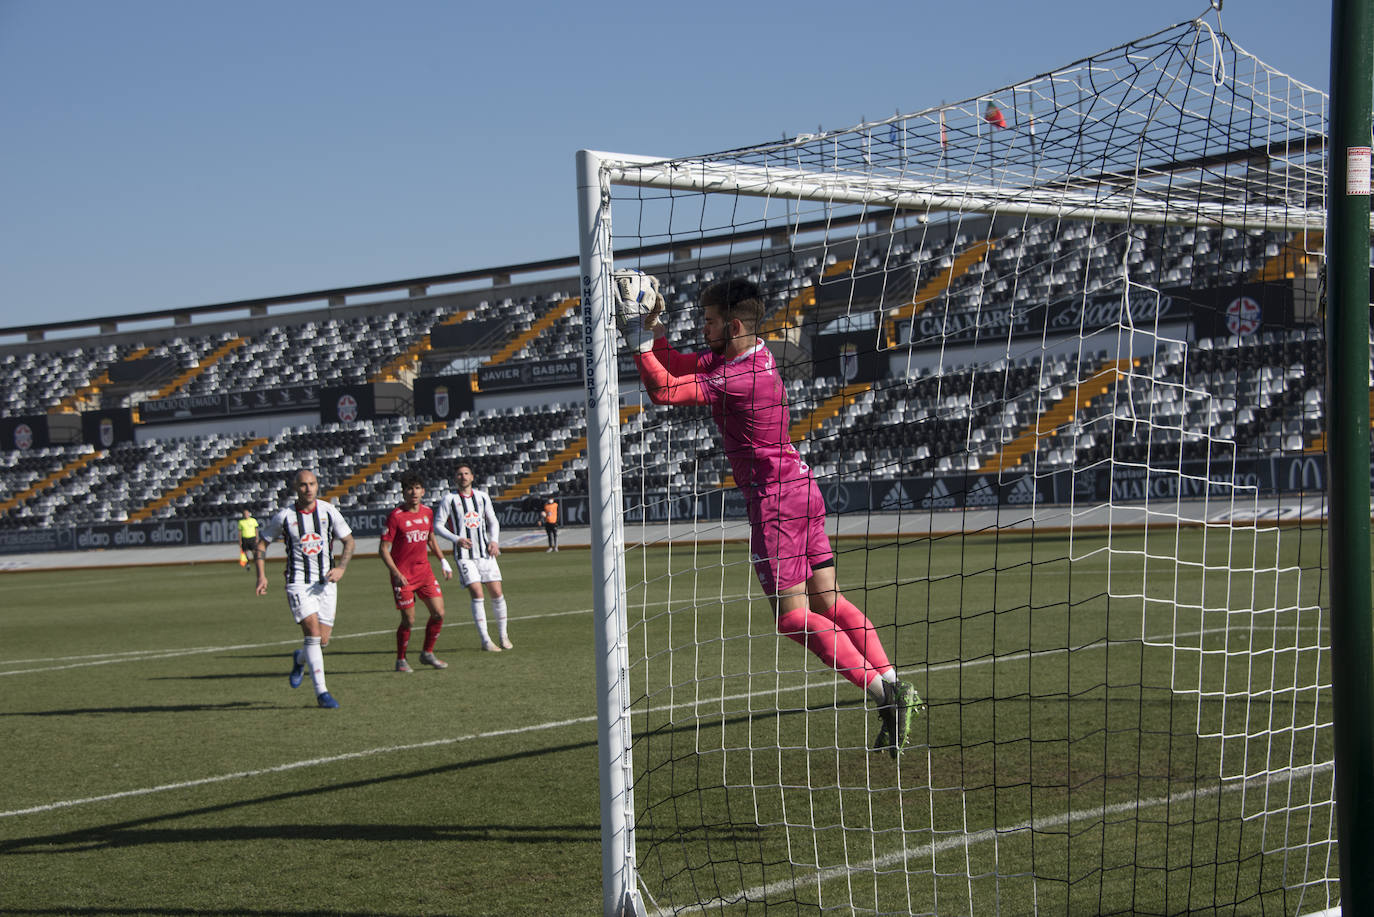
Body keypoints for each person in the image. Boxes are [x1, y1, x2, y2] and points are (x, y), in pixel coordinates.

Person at [619, 272, 922, 757]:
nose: (705, 328)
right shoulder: (747, 356)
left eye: (711, 321)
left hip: (776, 502)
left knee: (792, 618)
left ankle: (886, 695)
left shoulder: (740, 377)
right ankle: (893, 680)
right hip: (802, 488)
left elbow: (665, 391)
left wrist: (634, 338)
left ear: (734, 325)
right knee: (830, 601)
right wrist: (653, 330)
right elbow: (674, 362)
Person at [254, 468, 354, 709]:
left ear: (317, 486)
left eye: (311, 484)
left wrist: (341, 567)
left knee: (323, 640)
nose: (308, 489)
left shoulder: (329, 511)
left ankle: (299, 658)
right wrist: (261, 576)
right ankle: (322, 693)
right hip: (298, 582)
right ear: (295, 488)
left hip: (327, 583)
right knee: (312, 632)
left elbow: (349, 541)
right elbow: (261, 544)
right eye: (303, 485)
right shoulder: (285, 517)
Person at [434, 463, 513, 652]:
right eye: (459, 474)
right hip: (464, 555)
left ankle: (503, 636)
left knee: (497, 593)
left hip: (485, 552)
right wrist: (457, 539)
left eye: (466, 473)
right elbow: (438, 525)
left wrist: (494, 541)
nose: (463, 477)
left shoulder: (482, 497)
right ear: (455, 479)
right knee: (477, 593)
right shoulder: (449, 499)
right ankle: (485, 640)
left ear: (472, 477)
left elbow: (493, 521)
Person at [379, 470, 451, 672]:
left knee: (438, 613)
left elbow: (430, 539)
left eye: (417, 488)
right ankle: (401, 660)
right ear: (403, 493)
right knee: (409, 620)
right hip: (403, 576)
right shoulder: (395, 517)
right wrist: (396, 573)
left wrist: (443, 561)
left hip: (425, 573)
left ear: (423, 491)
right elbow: (383, 549)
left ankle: (427, 653)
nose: (414, 492)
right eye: (410, 489)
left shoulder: (427, 512)